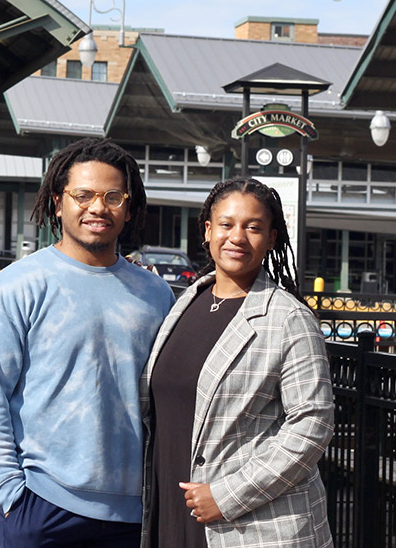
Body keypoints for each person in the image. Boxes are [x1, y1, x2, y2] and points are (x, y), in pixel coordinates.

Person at [0, 138, 175, 548]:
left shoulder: (155, 293)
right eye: (83, 195)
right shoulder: (18, 286)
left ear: (128, 209)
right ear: (58, 203)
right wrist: (9, 491)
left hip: (134, 514)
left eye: (113, 196)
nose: (98, 207)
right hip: (41, 506)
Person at [140, 179, 334, 548]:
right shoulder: (185, 303)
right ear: (208, 231)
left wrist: (228, 495)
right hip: (170, 509)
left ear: (272, 238)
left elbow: (313, 425)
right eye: (227, 224)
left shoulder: (288, 318)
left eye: (254, 227)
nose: (238, 237)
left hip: (249, 525)